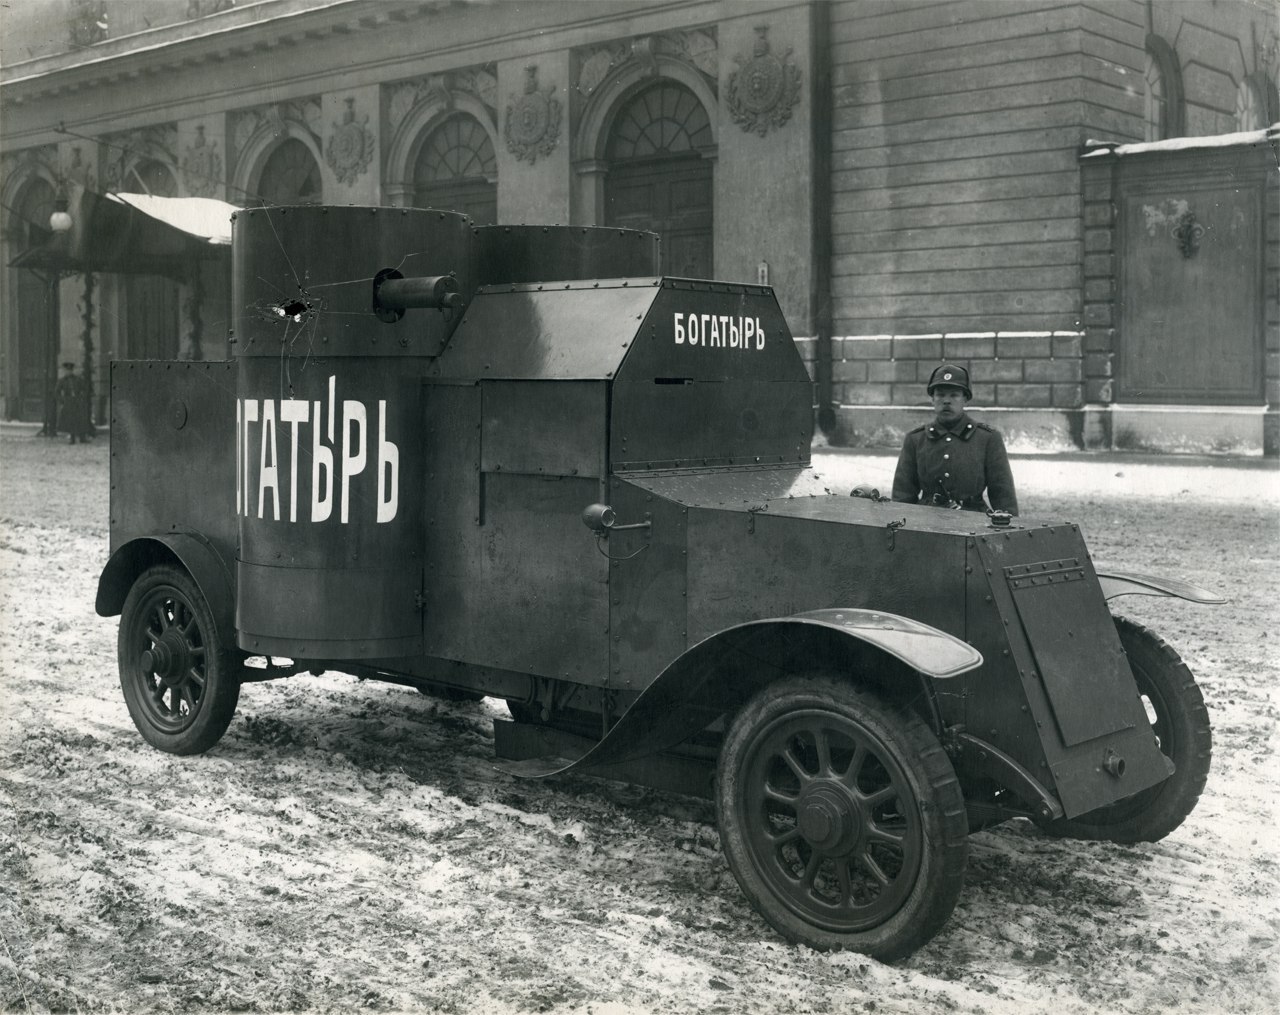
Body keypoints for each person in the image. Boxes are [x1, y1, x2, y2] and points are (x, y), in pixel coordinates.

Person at [891, 363, 1018, 515]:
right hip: (926, 519)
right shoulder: (916, 439)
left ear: (966, 399)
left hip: (973, 519)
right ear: (932, 399)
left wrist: (1008, 527)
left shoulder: (987, 439)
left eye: (954, 395)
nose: (946, 401)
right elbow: (902, 495)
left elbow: (1003, 493)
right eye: (940, 395)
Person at [55, 361, 92, 444]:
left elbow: (85, 389)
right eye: (67, 370)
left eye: (70, 370)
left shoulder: (78, 379)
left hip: (78, 402)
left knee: (80, 419)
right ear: (65, 371)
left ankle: (82, 437)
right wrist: (62, 400)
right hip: (68, 402)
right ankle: (72, 438)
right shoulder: (62, 381)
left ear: (72, 371)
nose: (69, 372)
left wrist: (82, 398)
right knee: (70, 420)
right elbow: (57, 392)